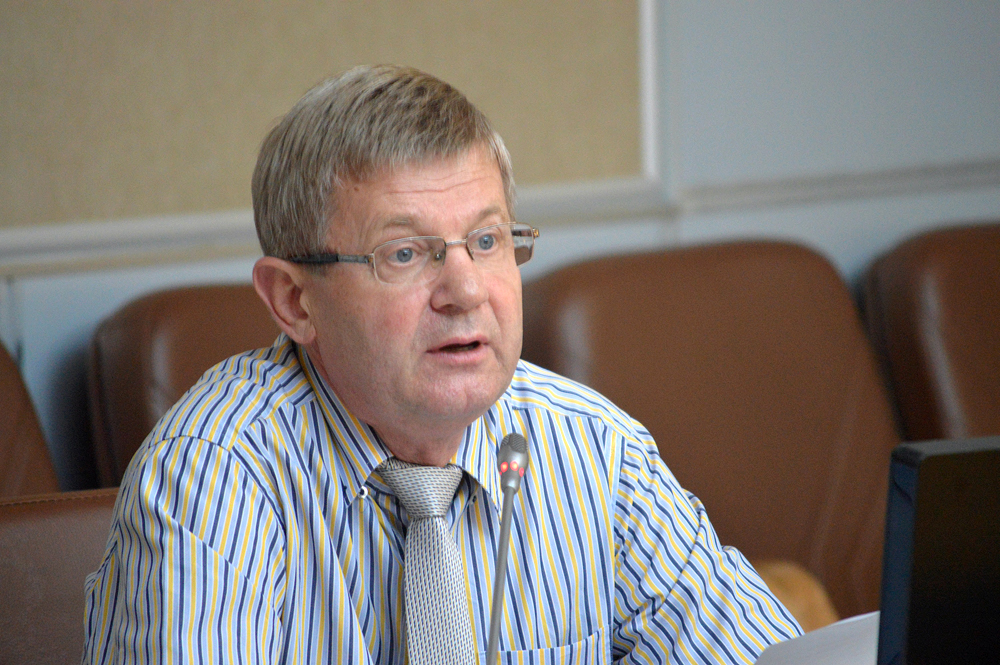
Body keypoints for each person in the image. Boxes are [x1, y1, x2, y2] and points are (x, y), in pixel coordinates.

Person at [82, 65, 801, 664]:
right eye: (405, 253)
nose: (466, 290)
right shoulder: (214, 480)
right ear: (295, 301)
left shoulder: (597, 452)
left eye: (486, 241)